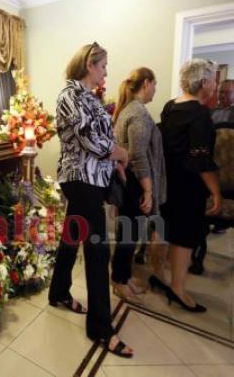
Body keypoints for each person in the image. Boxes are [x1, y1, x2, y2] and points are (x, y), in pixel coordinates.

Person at [49, 42, 133, 358]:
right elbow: (92, 141)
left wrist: (117, 164)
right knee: (98, 251)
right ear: (88, 64)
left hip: (93, 178)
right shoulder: (69, 95)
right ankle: (101, 328)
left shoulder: (89, 98)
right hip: (79, 179)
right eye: (102, 66)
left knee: (71, 237)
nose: (105, 72)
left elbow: (104, 139)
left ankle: (58, 292)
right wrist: (120, 153)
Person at [160, 58, 221, 312]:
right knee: (184, 238)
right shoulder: (200, 115)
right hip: (188, 186)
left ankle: (167, 279)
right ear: (204, 82)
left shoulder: (169, 107)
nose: (215, 85)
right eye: (214, 80)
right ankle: (178, 288)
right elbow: (201, 159)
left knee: (172, 231)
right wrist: (216, 192)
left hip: (167, 181)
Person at [110, 68, 167, 302]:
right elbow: (138, 156)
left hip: (129, 181)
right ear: (146, 83)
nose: (155, 89)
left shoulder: (128, 110)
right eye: (155, 84)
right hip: (135, 182)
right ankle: (119, 281)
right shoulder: (139, 114)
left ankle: (123, 276)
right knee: (129, 235)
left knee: (129, 234)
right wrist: (148, 190)